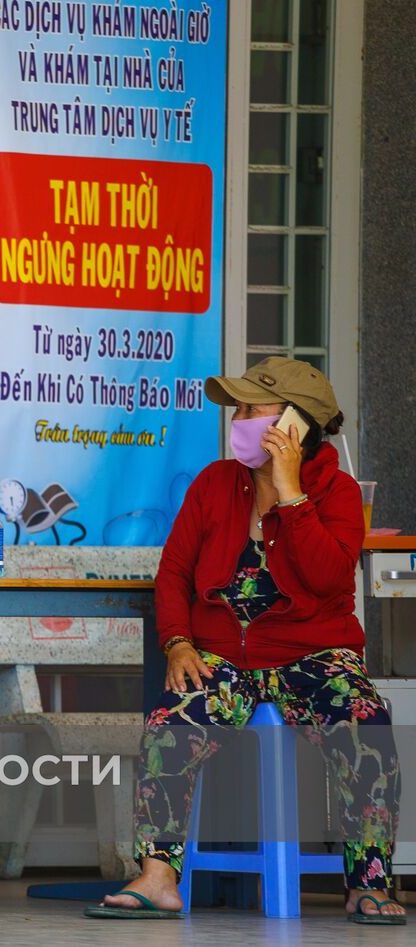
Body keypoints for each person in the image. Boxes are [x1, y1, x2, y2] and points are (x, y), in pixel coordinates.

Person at [86, 357, 404, 924]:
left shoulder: (337, 491)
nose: (238, 418)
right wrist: (178, 641)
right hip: (221, 658)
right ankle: (158, 877)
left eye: (251, 409)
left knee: (367, 723)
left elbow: (330, 578)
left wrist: (290, 495)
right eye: (238, 408)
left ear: (296, 425)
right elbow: (175, 573)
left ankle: (369, 884)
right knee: (170, 725)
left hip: (311, 657)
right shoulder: (214, 484)